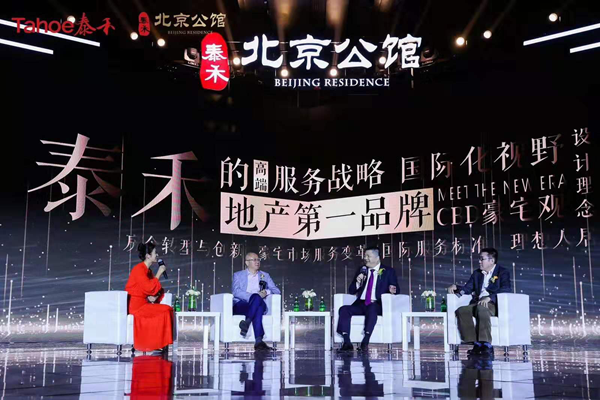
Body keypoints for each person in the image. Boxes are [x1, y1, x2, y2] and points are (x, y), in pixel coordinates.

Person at [447, 247, 511, 356]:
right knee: (462, 310)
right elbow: (468, 289)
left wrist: (489, 297)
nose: (479, 261)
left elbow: (506, 289)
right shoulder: (477, 273)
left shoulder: (502, 272)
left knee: (482, 308)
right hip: (477, 302)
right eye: (479, 259)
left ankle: (486, 344)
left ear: (492, 260)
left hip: (493, 303)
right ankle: (474, 342)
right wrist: (456, 288)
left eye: (482, 259)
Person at [336, 247, 398, 352]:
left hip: (377, 304)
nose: (365, 258)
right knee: (344, 309)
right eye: (365, 256)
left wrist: (393, 290)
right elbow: (351, 290)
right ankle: (347, 342)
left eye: (368, 256)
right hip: (361, 303)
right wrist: (357, 282)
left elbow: (396, 288)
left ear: (377, 258)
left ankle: (365, 341)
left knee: (372, 307)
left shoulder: (388, 271)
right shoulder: (362, 270)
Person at [125, 242, 173, 353]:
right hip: (136, 306)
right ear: (148, 256)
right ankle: (157, 344)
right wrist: (159, 273)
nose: (157, 255)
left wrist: (154, 296)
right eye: (155, 253)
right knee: (165, 310)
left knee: (167, 309)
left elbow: (153, 289)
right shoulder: (139, 269)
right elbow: (149, 287)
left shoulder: (148, 271)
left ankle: (160, 343)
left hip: (144, 304)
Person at [232, 252, 281, 351]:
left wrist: (266, 292)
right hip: (241, 304)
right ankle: (258, 341)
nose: (257, 262)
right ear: (247, 263)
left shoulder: (265, 275)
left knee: (258, 303)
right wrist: (253, 296)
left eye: (258, 259)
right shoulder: (238, 275)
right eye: (254, 260)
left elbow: (276, 291)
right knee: (257, 305)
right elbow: (236, 291)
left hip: (260, 303)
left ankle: (247, 322)